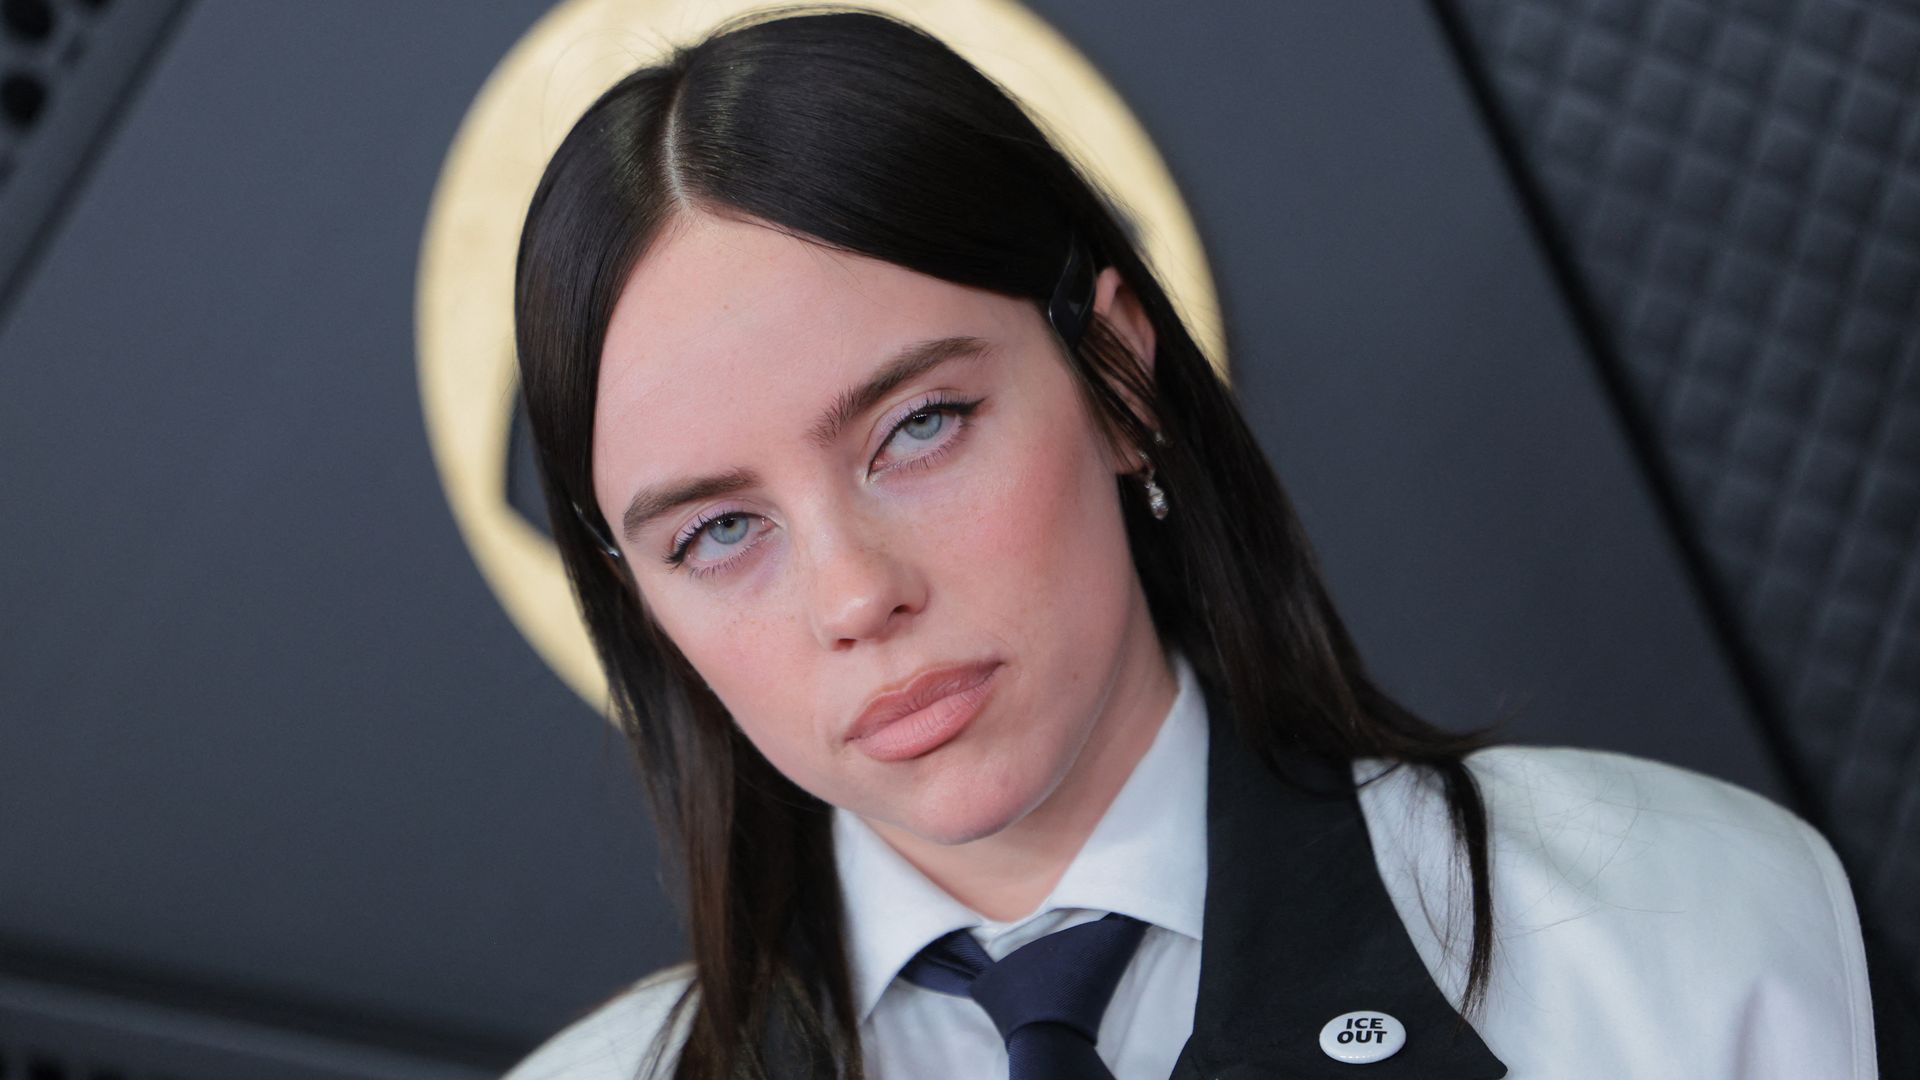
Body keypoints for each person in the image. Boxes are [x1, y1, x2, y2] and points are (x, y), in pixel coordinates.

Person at [501, 8, 1877, 1079]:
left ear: (1116, 378)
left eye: (918, 429)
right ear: (638, 600)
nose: (856, 593)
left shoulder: (1675, 931)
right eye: (721, 530)